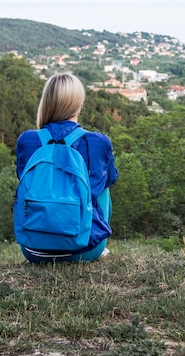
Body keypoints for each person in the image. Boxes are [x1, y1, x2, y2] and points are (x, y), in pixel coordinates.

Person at [15, 73, 118, 263]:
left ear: (47, 103)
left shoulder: (27, 140)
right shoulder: (96, 142)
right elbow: (108, 179)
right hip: (84, 250)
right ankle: (93, 234)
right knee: (103, 182)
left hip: (33, 250)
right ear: (79, 104)